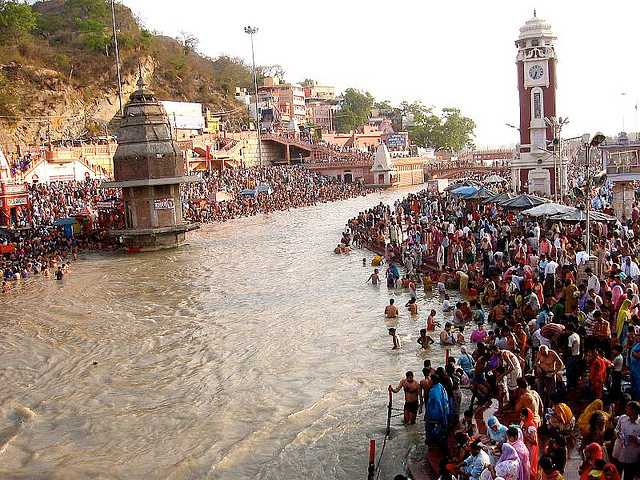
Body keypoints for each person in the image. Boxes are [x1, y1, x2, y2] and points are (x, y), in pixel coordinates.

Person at [611, 401, 640, 480]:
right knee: (616, 476)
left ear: (634, 411)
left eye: (628, 409)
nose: (626, 410)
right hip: (618, 452)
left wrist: (636, 439)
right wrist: (617, 433)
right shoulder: (622, 418)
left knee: (628, 476)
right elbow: (616, 429)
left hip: (631, 456)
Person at [425, 374, 450, 447]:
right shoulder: (440, 386)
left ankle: (431, 442)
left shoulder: (433, 391)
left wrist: (442, 415)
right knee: (440, 428)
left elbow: (438, 402)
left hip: (435, 414)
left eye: (430, 379)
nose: (429, 380)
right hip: (442, 412)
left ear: (432, 381)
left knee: (429, 428)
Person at [520, 408, 539, 480]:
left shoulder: (531, 426)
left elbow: (534, 441)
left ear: (527, 417)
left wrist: (525, 435)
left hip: (530, 448)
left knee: (530, 464)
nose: (521, 418)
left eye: (522, 416)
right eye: (520, 416)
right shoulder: (522, 422)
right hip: (525, 446)